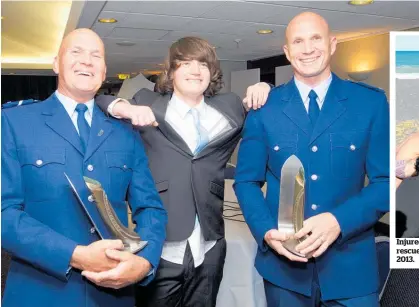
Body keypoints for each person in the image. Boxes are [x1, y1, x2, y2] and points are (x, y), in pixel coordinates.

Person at [94, 36, 272, 307]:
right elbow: (98, 101)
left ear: (211, 73)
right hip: (160, 243)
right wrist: (124, 107)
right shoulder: (148, 100)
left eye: (203, 64)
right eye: (185, 63)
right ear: (172, 71)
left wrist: (264, 85)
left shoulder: (231, 105)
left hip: (210, 243)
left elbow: (277, 100)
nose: (195, 70)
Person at [1, 28, 167, 307]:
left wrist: (144, 263)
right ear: (56, 63)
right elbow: (3, 212)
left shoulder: (126, 132)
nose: (86, 61)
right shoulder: (14, 124)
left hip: (115, 292)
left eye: (96, 55)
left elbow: (150, 208)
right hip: (41, 291)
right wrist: (74, 254)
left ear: (103, 71)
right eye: (75, 52)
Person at [234, 12, 389, 307]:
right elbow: (246, 181)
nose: (307, 49)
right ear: (287, 51)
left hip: (352, 269)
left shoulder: (369, 103)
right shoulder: (264, 108)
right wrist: (266, 231)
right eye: (298, 41)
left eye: (316, 38)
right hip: (285, 271)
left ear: (332, 44)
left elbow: (384, 182)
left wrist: (337, 221)